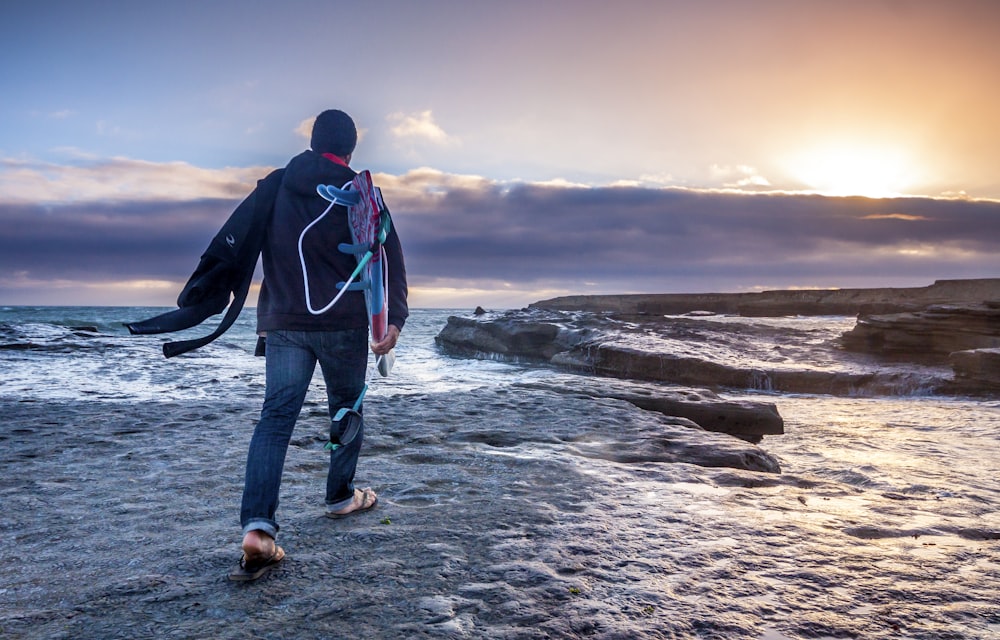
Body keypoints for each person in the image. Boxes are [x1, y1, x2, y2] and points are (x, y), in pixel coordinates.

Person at [231, 109, 408, 581]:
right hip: (344, 324)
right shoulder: (362, 191)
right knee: (345, 408)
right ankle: (339, 497)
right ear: (351, 149)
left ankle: (258, 530)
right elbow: (389, 255)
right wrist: (395, 320)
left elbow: (247, 244)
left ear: (312, 142)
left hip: (284, 321)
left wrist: (255, 317)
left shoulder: (275, 184)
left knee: (275, 417)